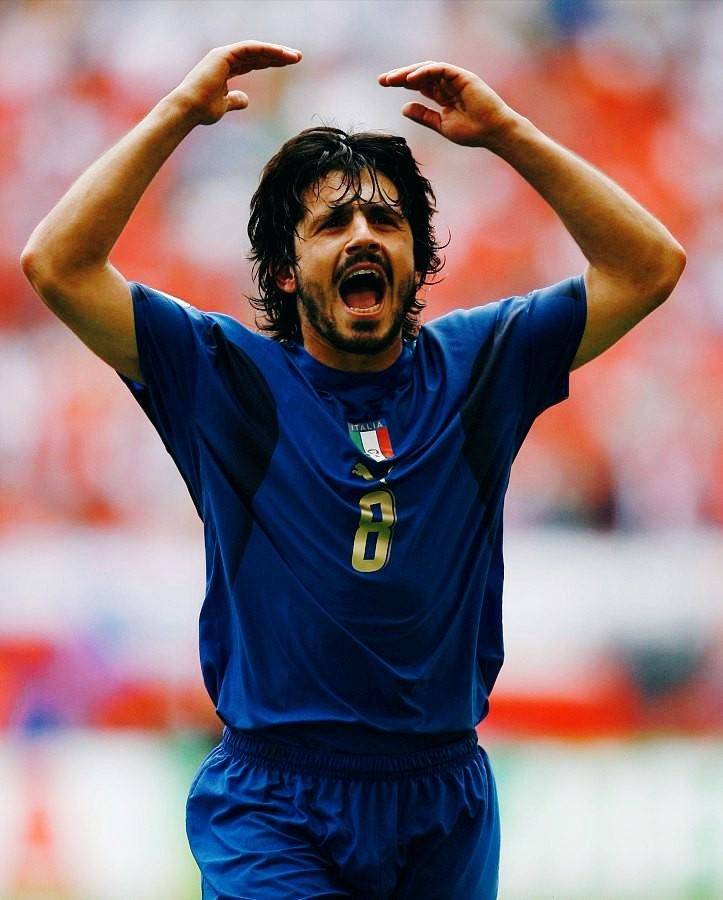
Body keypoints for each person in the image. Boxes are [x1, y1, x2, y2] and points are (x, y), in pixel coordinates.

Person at [21, 40, 685, 900]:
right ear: (285, 273)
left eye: (385, 221)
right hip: (275, 805)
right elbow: (57, 264)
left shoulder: (480, 366)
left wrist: (510, 134)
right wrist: (176, 114)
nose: (363, 234)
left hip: (441, 803)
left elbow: (649, 265)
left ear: (415, 260)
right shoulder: (225, 379)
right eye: (332, 224)